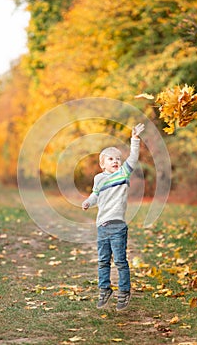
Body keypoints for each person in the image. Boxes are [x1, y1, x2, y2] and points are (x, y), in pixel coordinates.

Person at [82, 123, 145, 311]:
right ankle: (104, 289)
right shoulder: (98, 179)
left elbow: (133, 158)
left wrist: (134, 139)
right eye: (111, 159)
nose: (115, 161)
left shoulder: (123, 173)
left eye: (118, 158)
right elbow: (95, 195)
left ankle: (124, 291)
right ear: (103, 164)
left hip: (118, 226)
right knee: (103, 260)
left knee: (119, 260)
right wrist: (88, 202)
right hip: (102, 225)